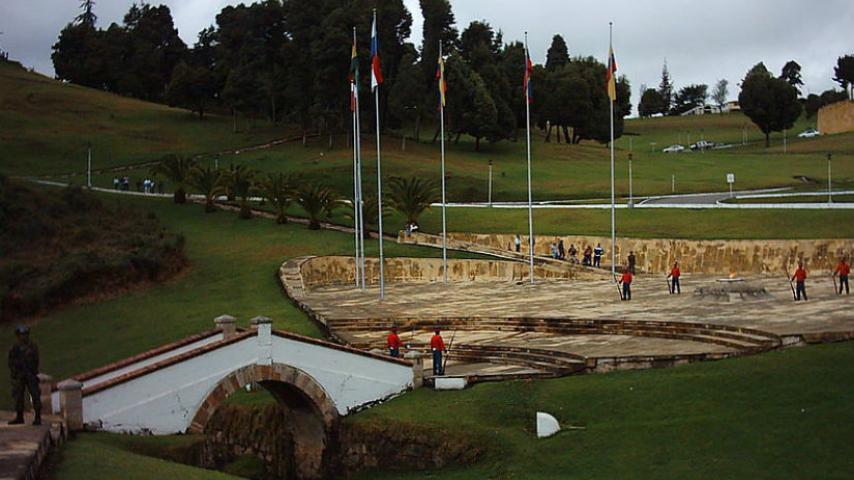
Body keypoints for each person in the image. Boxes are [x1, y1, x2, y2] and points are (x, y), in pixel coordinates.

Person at [8, 325, 41, 425]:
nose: (24, 337)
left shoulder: (32, 346)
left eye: (25, 334)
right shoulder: (15, 348)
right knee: (18, 396)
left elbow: (36, 360)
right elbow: (11, 361)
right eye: (22, 335)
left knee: (35, 395)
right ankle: (19, 416)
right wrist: (15, 372)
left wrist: (33, 371)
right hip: (20, 375)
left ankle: (38, 417)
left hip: (30, 374)